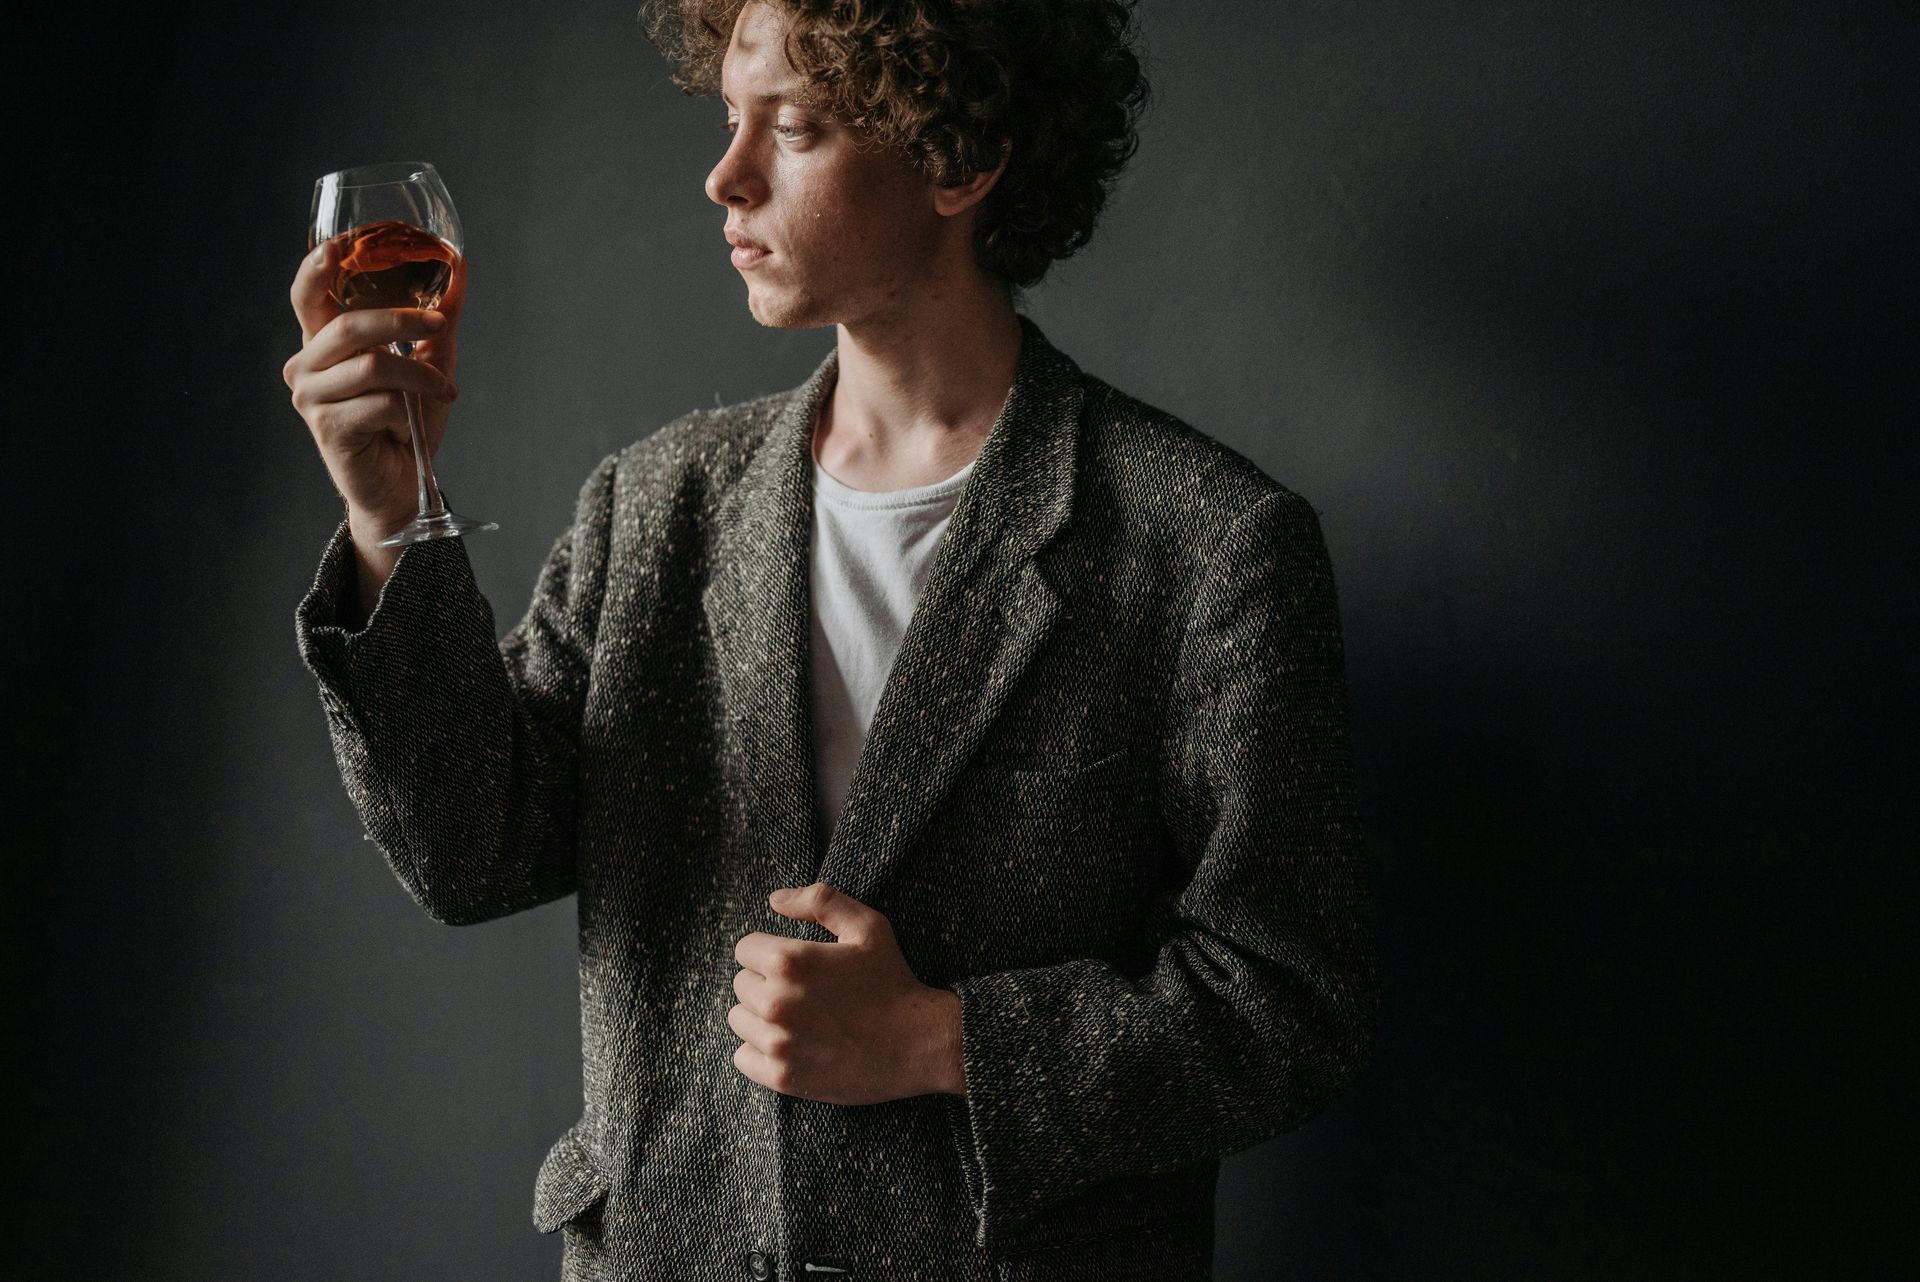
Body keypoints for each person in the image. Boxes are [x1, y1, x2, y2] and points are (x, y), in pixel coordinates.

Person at [282, 1, 1379, 1278]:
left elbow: (1288, 1003)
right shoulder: (654, 506)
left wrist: (942, 1039)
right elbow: (473, 848)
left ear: (961, 160)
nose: (725, 175)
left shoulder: (1208, 545)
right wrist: (391, 519)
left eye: (792, 127)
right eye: (730, 116)